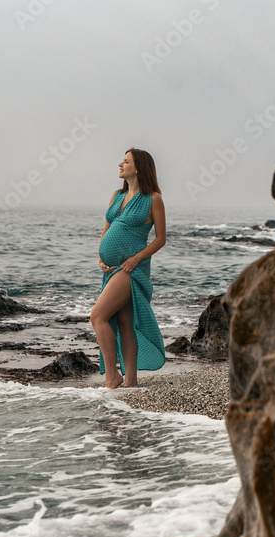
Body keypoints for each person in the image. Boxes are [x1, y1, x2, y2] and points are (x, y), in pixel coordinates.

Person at [89, 148, 167, 389]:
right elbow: (106, 231)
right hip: (112, 269)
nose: (120, 164)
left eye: (126, 161)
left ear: (139, 168)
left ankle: (112, 375)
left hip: (131, 270)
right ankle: (130, 381)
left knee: (98, 316)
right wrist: (100, 258)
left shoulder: (153, 199)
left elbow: (161, 238)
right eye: (122, 160)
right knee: (124, 323)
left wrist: (136, 259)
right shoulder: (116, 196)